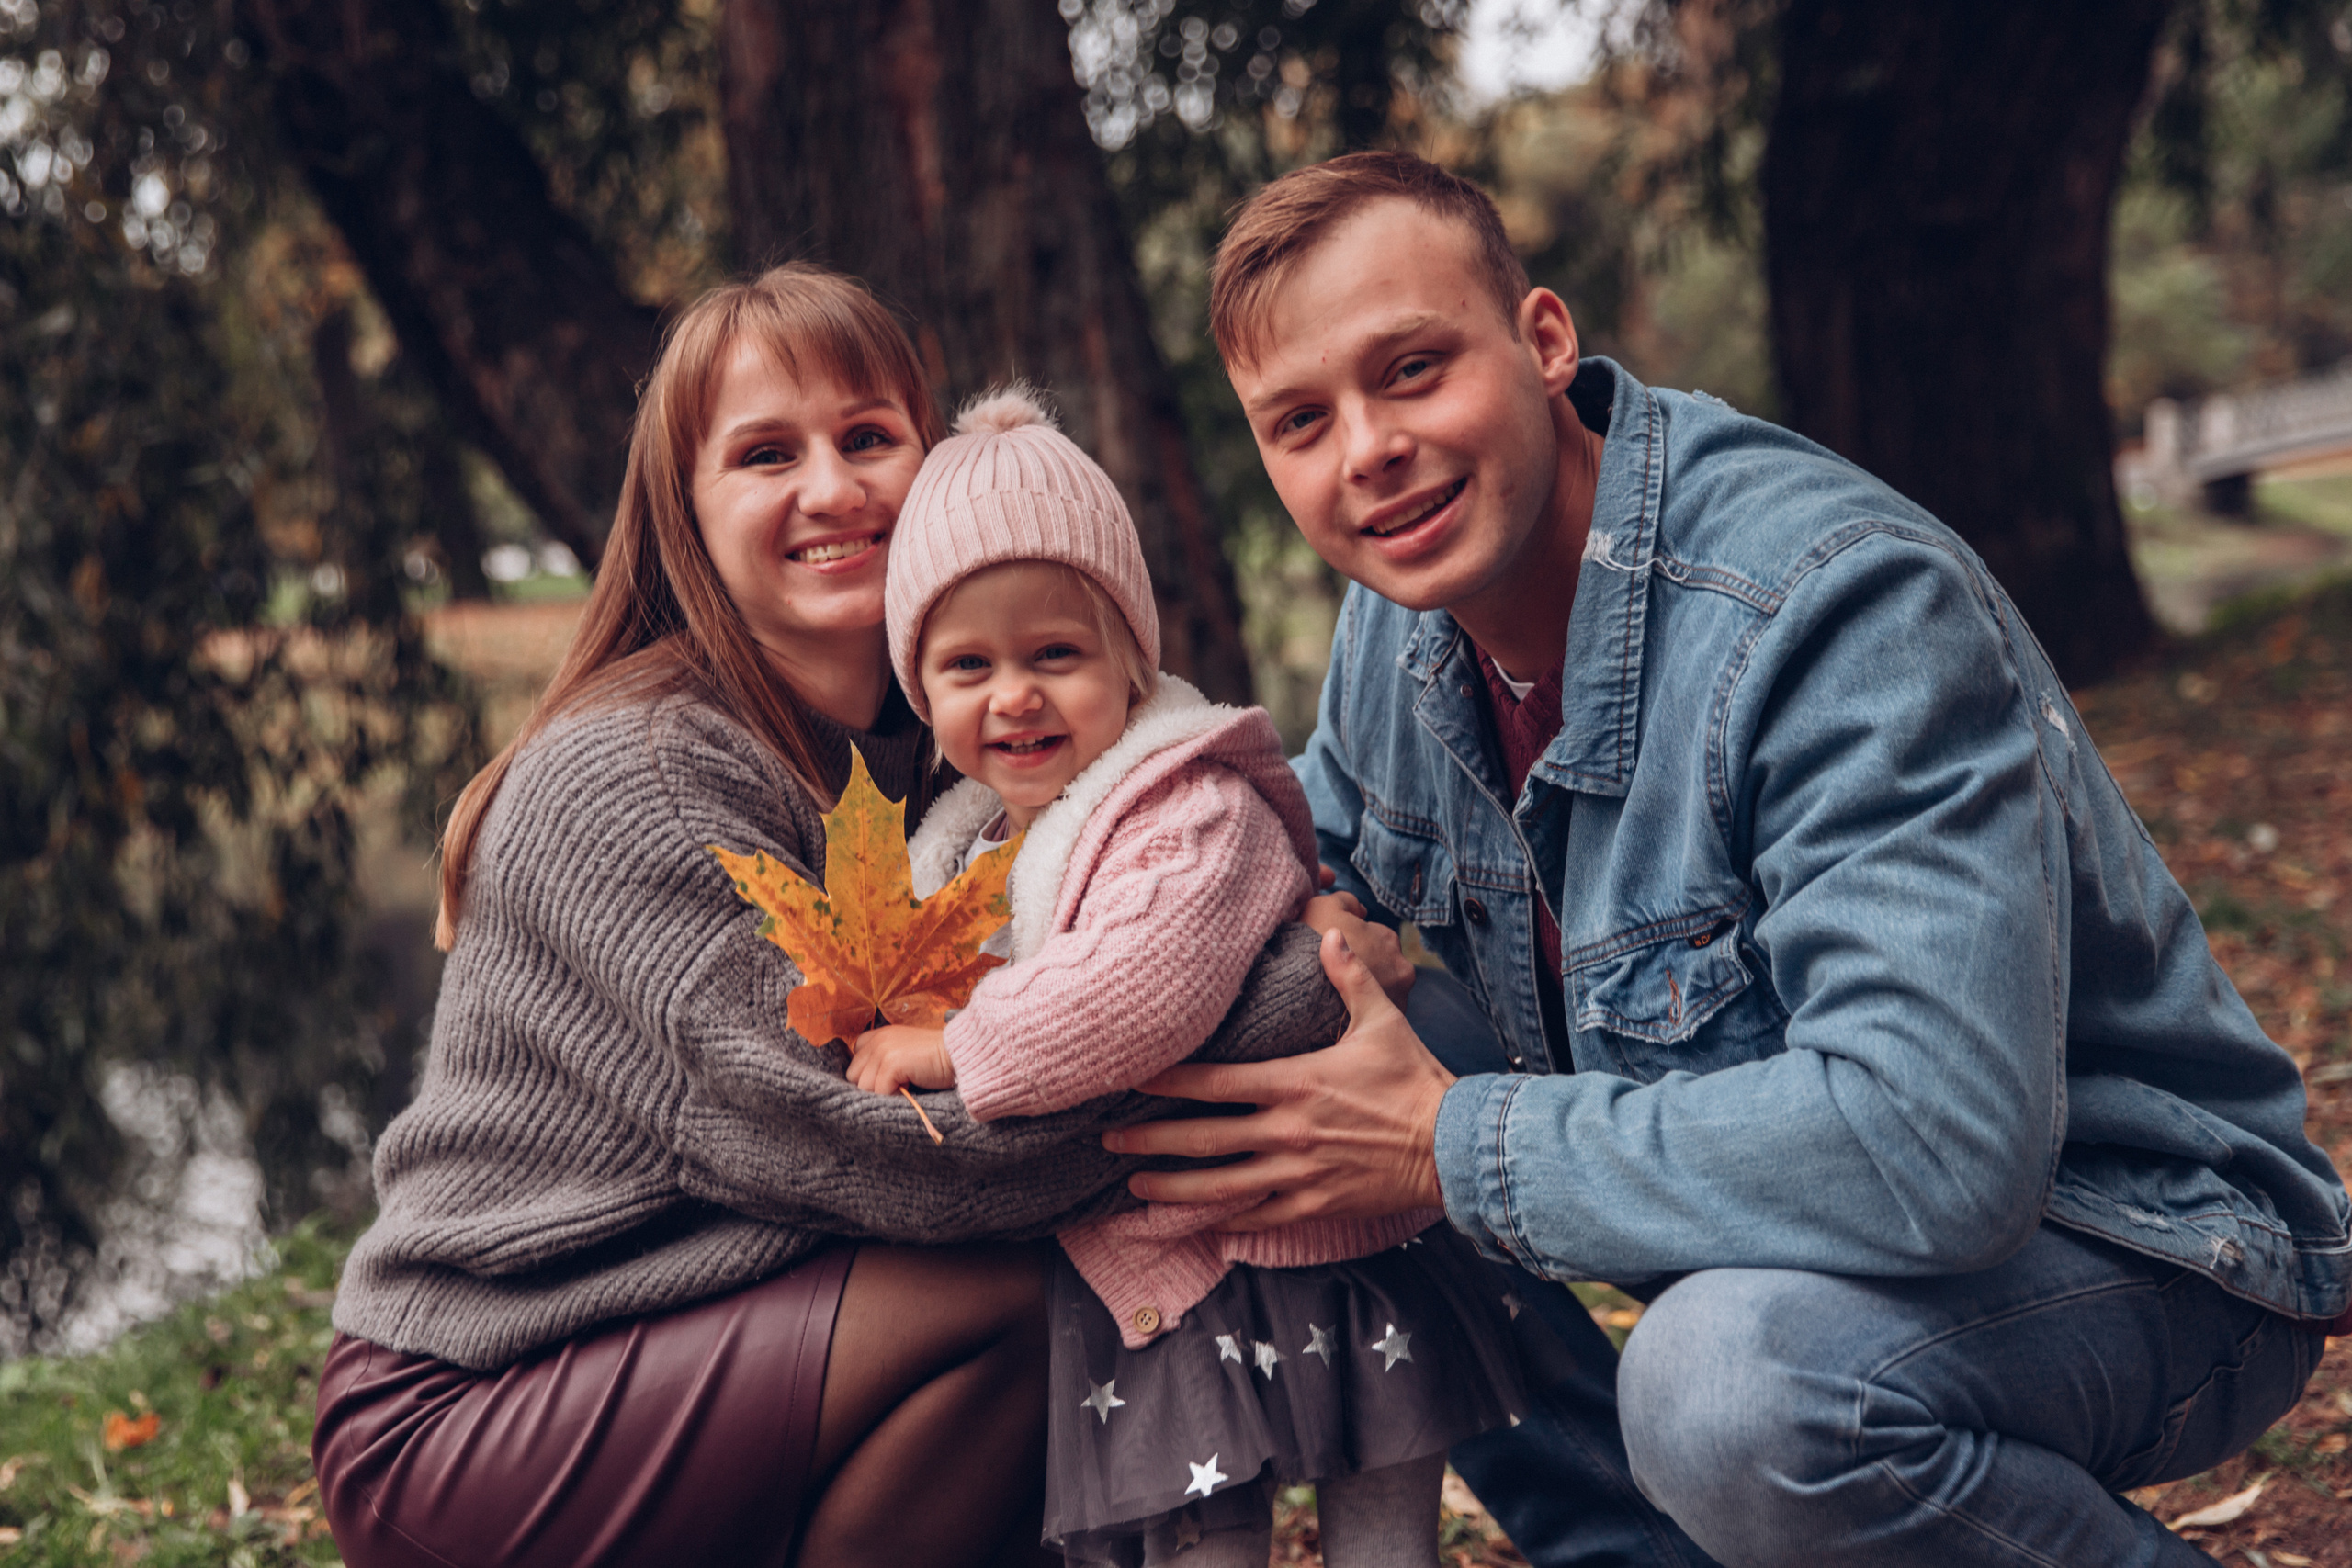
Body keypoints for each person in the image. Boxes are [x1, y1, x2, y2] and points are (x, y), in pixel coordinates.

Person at [1103, 152, 2352, 1568]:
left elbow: (1941, 1144)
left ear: (1545, 342)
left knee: (1726, 1386)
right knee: (1304, 1033)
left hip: (2141, 1238)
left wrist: (1439, 1143)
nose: (1366, 449)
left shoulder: (1832, 608)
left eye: (1411, 368)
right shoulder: (1402, 622)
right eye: (1300, 420)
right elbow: (1286, 866)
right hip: (1802, 1230)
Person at [307, 264, 1347, 1568]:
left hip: (714, 1334)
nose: (833, 487)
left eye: (869, 437)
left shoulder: (951, 756)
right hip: (479, 1398)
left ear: (938, 466)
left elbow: (1120, 940)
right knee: (1027, 1288)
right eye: (763, 453)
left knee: (1037, 1305)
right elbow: (890, 1155)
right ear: (686, 510)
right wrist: (1288, 1001)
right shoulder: (639, 770)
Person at [843, 386, 1532, 1568]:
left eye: (1054, 654)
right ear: (922, 689)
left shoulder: (1189, 808)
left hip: (1320, 1244)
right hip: (1169, 1273)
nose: (1012, 695)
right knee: (1199, 1545)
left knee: (1381, 1537)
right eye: (967, 665)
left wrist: (960, 1050)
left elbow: (1134, 993)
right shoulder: (968, 848)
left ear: (1127, 655)